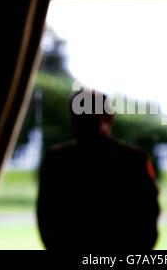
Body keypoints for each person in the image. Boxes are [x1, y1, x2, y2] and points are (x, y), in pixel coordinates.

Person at [37, 89, 159, 250]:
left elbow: (45, 217)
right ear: (109, 117)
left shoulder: (57, 160)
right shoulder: (133, 160)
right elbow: (148, 216)